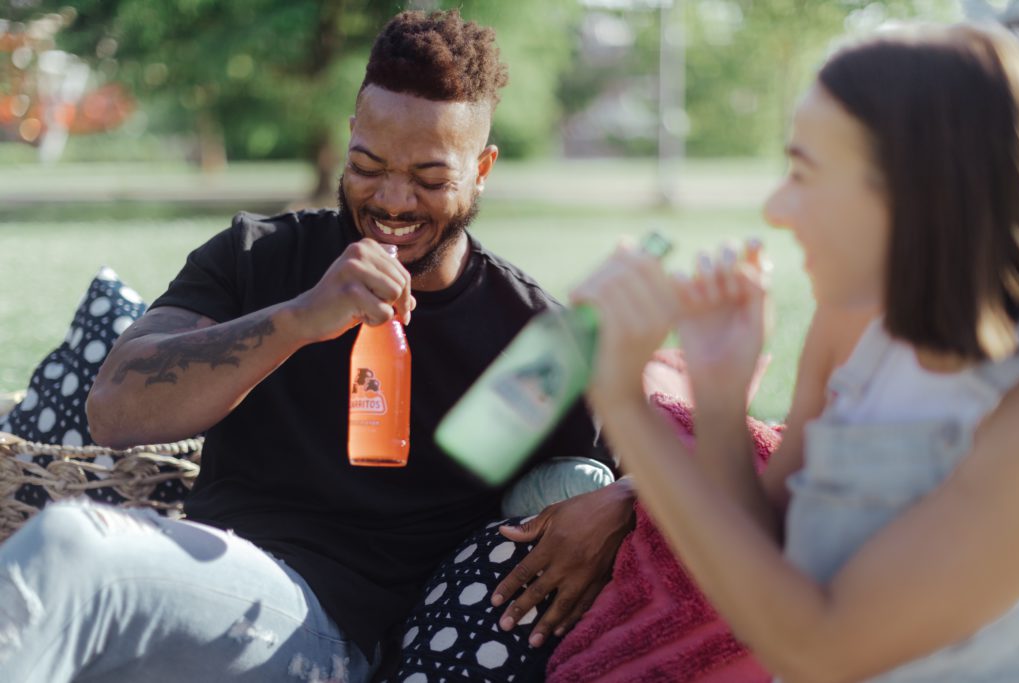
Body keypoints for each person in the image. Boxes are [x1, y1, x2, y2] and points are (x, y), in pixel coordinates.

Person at [0, 10, 636, 682]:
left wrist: (621, 500)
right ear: (350, 138)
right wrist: (301, 317)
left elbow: (675, 455)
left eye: (429, 177)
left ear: (482, 169)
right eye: (369, 166)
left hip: (323, 638)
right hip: (198, 584)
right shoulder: (261, 254)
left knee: (72, 550)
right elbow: (115, 409)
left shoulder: (529, 339)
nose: (392, 201)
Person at [574, 22, 1019, 683]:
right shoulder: (862, 329)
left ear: (914, 189)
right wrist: (721, 396)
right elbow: (768, 558)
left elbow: (817, 646)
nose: (777, 208)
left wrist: (623, 404)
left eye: (803, 173)